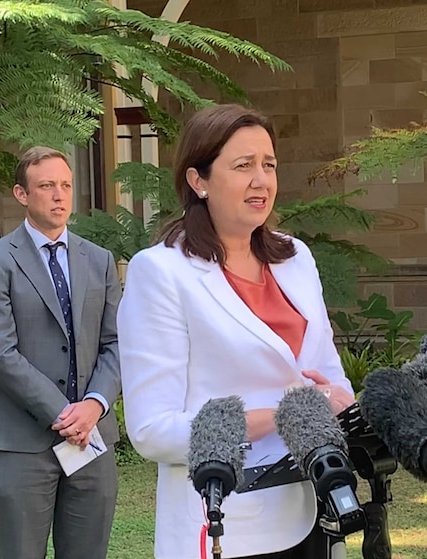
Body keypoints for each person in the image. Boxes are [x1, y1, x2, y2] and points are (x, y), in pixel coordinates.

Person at [117, 104, 355, 559]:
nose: (261, 180)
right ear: (198, 181)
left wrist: (340, 403)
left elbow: (329, 378)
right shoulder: (161, 272)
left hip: (313, 506)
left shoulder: (296, 258)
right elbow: (152, 430)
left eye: (269, 165)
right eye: (243, 165)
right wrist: (287, 413)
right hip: (222, 521)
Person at [0, 146, 122, 559]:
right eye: (47, 185)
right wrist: (62, 413)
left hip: (93, 438)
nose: (59, 195)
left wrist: (93, 406)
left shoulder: (100, 261)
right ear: (22, 194)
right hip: (24, 442)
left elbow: (118, 343)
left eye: (66, 185)